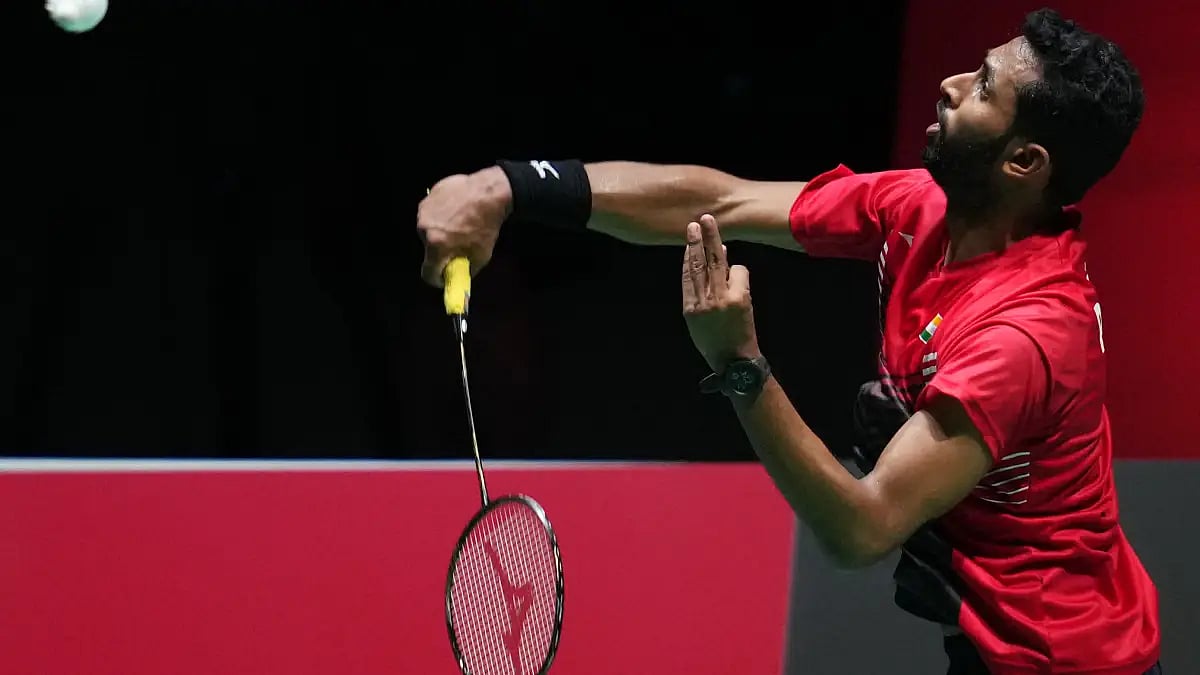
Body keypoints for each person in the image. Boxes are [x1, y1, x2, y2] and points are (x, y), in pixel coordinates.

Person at [416, 8, 1160, 674]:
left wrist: (738, 362)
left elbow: (861, 528)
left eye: (984, 88)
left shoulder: (1023, 335)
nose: (952, 84)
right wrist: (508, 188)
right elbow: (723, 199)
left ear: (1024, 162)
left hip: (1063, 658)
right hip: (990, 645)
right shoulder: (926, 208)